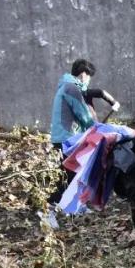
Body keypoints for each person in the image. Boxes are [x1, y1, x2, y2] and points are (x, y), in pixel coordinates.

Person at [46, 59, 98, 224]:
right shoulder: (71, 88)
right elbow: (84, 116)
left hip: (64, 138)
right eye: (89, 77)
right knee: (69, 176)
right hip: (66, 140)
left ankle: (75, 207)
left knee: (76, 173)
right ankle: (48, 211)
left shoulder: (66, 86)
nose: (89, 81)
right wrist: (98, 128)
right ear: (83, 75)